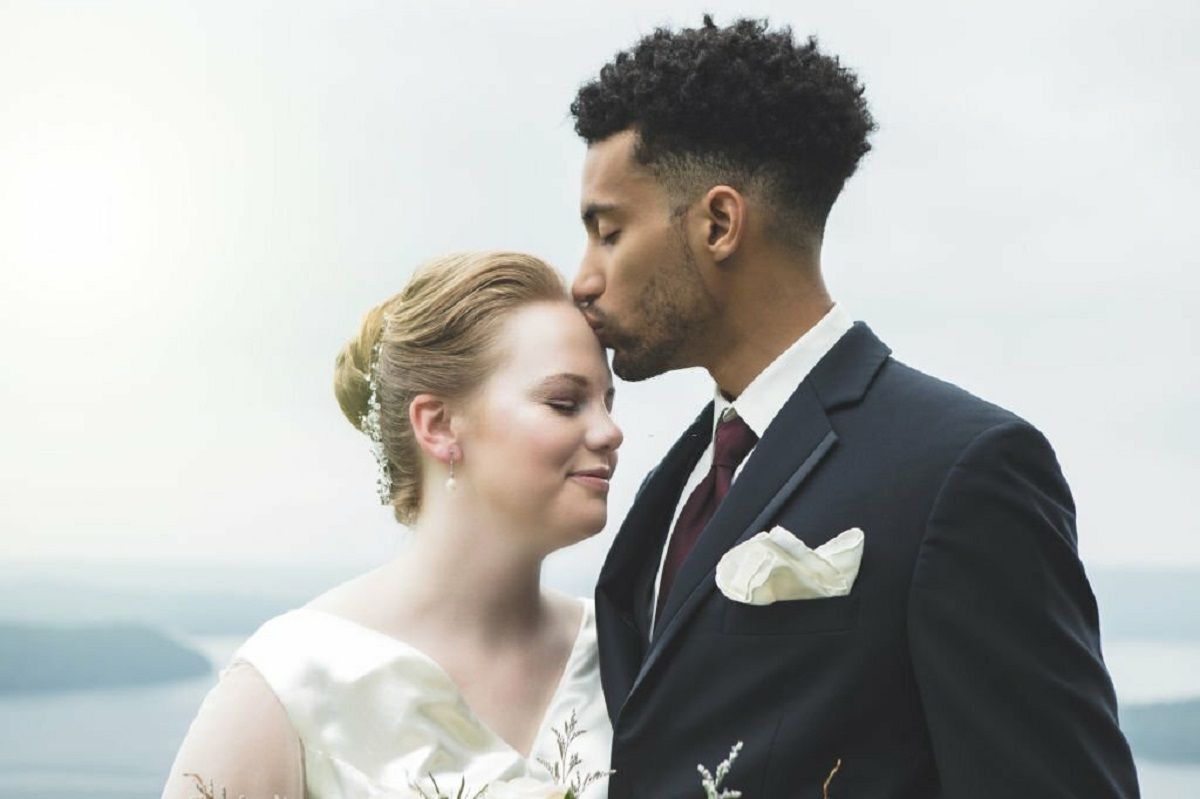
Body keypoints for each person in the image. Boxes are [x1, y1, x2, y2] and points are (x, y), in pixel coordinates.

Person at [570, 16, 1140, 798]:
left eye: (608, 232)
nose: (583, 280)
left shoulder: (962, 472)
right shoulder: (672, 486)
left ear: (719, 222)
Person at [161, 252, 621, 799]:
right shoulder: (295, 682)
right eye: (565, 403)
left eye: (608, 404)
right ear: (439, 424)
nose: (611, 432)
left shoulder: (623, 655)